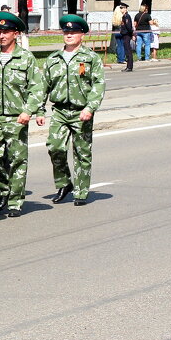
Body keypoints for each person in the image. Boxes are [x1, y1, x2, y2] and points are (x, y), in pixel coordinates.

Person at [0, 11, 45, 217]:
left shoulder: (25, 58)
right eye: (0, 31)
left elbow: (37, 88)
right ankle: (3, 190)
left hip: (16, 117)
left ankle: (15, 201)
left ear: (16, 34)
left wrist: (29, 110)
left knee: (17, 159)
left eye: (6, 31)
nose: (2, 35)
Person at [40, 14, 105, 206]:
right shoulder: (53, 58)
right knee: (55, 147)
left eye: (73, 32)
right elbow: (44, 86)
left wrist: (90, 107)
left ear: (82, 35)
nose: (69, 35)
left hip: (81, 112)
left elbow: (98, 84)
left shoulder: (90, 58)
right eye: (66, 32)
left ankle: (81, 191)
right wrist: (39, 110)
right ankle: (64, 182)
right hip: (60, 111)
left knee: (82, 152)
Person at [116, 3, 134, 71]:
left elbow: (129, 27)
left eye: (122, 8)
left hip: (127, 35)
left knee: (128, 51)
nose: (121, 9)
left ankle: (129, 67)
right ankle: (128, 66)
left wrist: (132, 35)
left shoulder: (127, 16)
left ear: (125, 9)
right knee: (127, 51)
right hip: (124, 35)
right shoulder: (124, 16)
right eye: (120, 8)